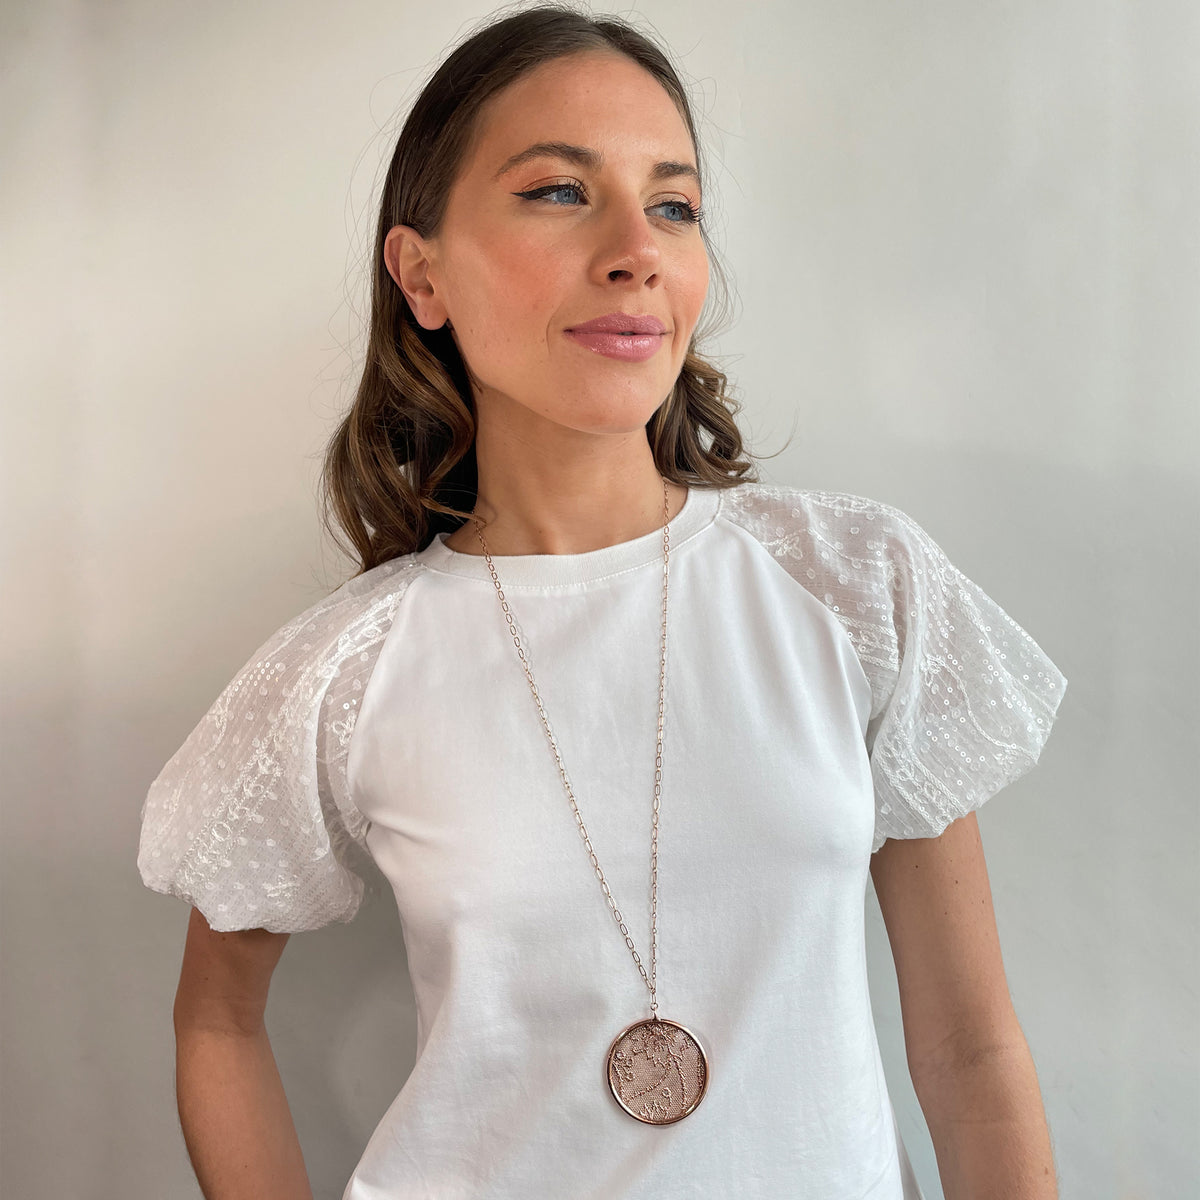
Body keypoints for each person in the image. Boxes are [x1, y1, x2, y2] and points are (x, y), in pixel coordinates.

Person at [137, 5, 1068, 1198]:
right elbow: (214, 1023)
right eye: (558, 192)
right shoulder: (348, 670)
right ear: (421, 273)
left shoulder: (853, 589)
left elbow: (971, 1049)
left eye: (673, 204)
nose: (637, 247)